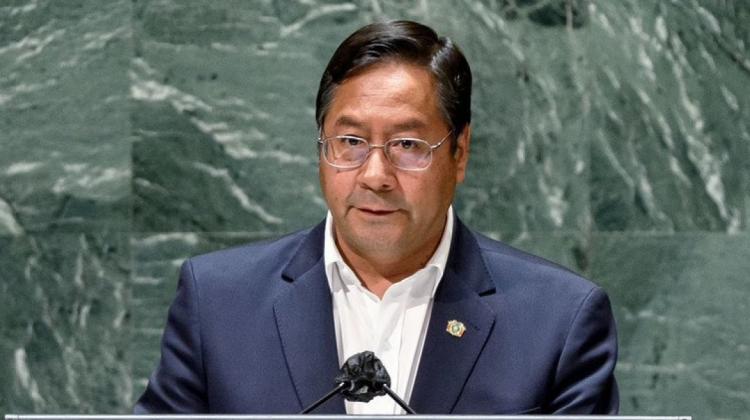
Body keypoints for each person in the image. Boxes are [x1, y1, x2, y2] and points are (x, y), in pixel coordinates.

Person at [134, 20, 618, 415]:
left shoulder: (558, 320)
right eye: (350, 142)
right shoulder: (218, 304)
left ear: (460, 152)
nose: (375, 175)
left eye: (407, 144)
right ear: (320, 148)